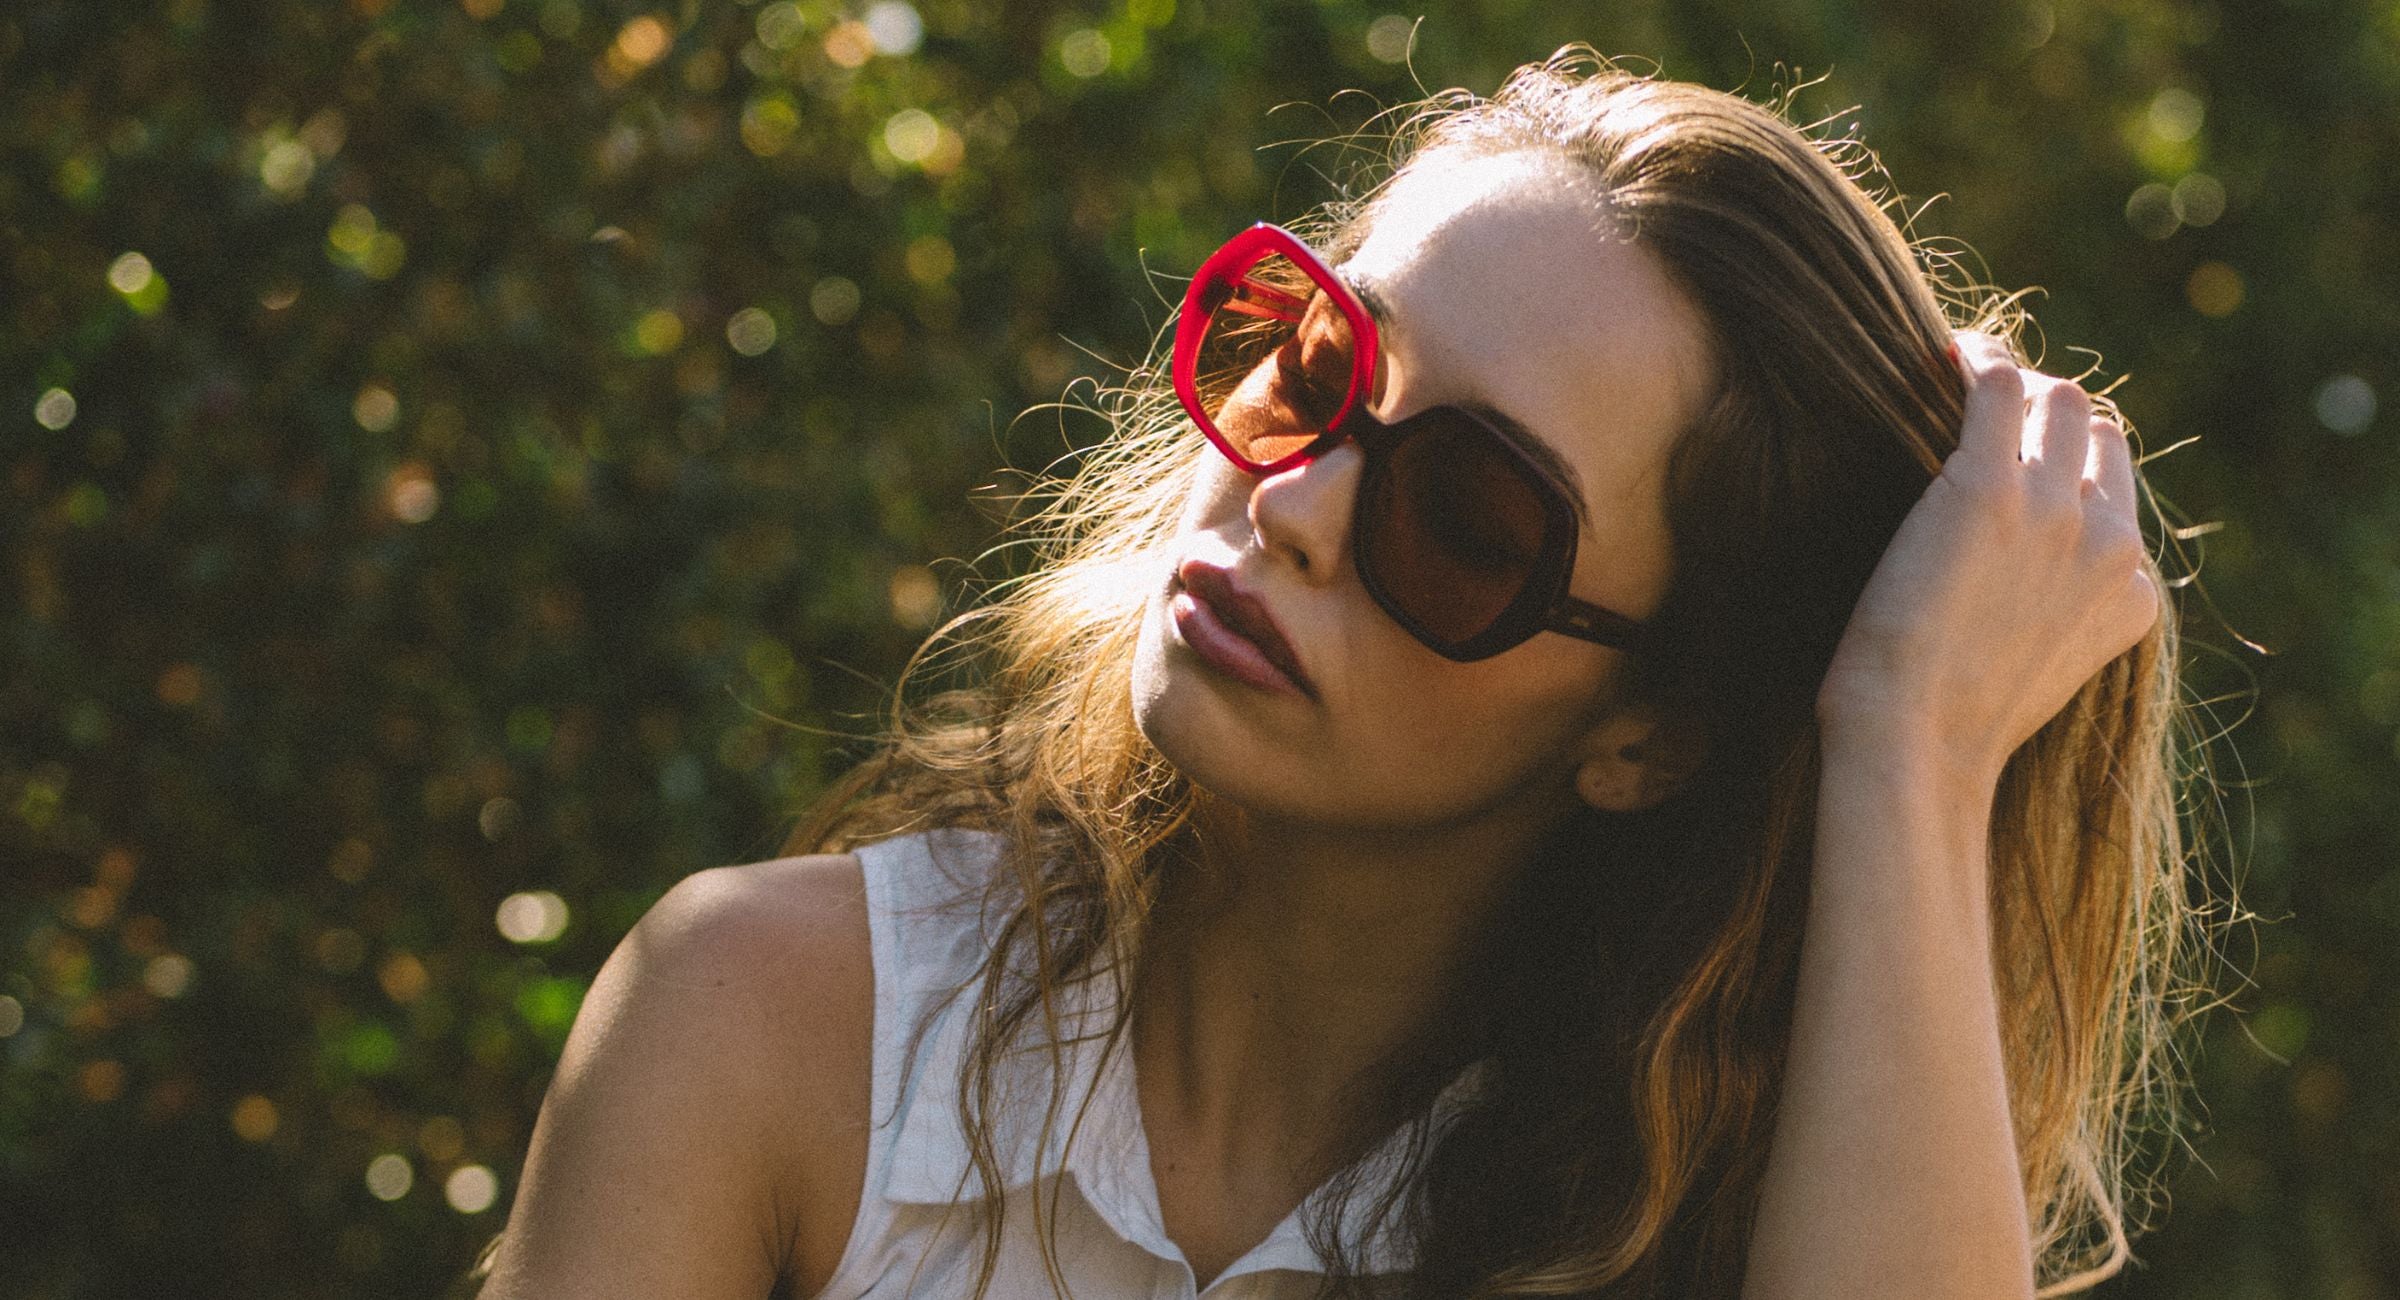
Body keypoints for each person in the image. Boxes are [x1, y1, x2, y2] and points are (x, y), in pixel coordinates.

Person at [476, 48, 2214, 1300]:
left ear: (1651, 735)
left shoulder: (1706, 1236)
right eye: (1313, 362)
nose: (1291, 503)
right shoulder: (767, 1027)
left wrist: (1910, 746)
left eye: (1466, 518)